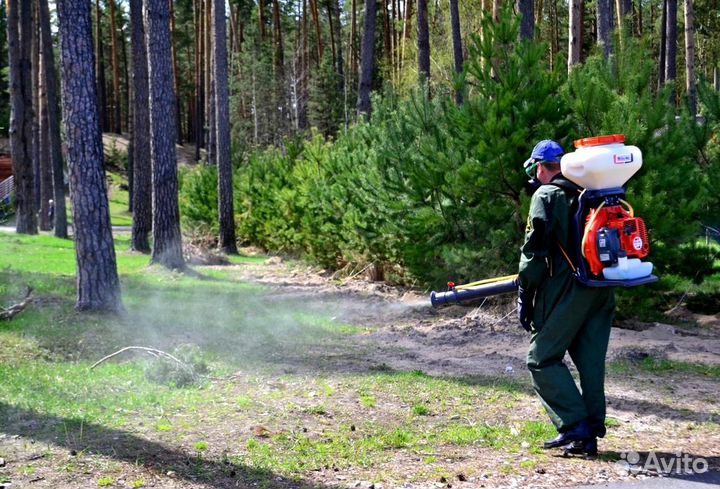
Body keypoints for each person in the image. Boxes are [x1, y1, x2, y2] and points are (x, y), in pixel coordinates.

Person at [517, 140, 616, 457]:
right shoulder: (589, 191)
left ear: (540, 167)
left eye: (534, 170)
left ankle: (575, 425)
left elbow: (534, 250)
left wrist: (525, 290)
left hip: (568, 289)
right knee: (590, 362)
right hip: (600, 288)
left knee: (541, 358)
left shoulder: (546, 195)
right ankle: (589, 434)